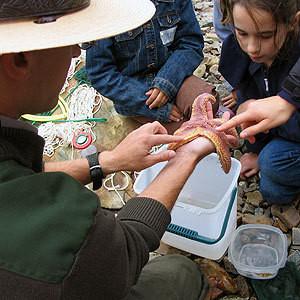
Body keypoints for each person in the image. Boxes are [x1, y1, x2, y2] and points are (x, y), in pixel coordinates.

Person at [0, 0, 238, 299]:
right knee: (182, 272)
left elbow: (19, 183)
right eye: (68, 40)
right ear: (19, 59)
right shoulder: (65, 228)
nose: (76, 52)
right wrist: (186, 156)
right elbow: (124, 250)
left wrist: (107, 161)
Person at [86, 0, 216, 134]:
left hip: (175, 77)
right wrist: (150, 105)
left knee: (207, 103)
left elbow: (191, 43)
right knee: (186, 133)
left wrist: (167, 82)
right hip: (135, 92)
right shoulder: (104, 8)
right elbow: (101, 73)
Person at [217, 0, 300, 204]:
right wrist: (256, 148)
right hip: (282, 137)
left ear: (294, 22)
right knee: (273, 192)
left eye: (265, 35)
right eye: (242, 33)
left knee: (271, 164)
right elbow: (246, 93)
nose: (252, 48)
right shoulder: (238, 52)